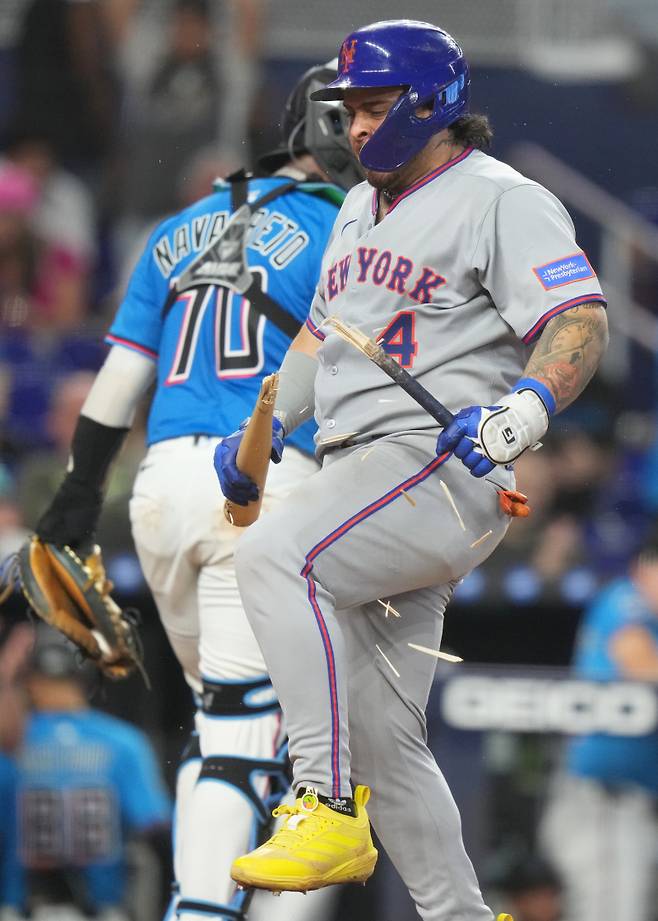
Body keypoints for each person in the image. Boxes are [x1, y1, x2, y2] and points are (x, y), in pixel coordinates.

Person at [215, 18, 609, 921]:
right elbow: (324, 334)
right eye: (350, 110)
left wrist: (524, 411)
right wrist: (268, 423)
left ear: (432, 104)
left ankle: (318, 799)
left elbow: (580, 319)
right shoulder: (360, 205)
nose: (356, 128)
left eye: (374, 107)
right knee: (389, 739)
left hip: (435, 463)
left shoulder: (500, 196)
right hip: (363, 477)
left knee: (276, 558)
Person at [30, 62, 362, 921]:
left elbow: (119, 379)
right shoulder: (351, 228)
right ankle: (202, 913)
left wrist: (74, 500)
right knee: (252, 738)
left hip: (158, 489)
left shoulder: (180, 225)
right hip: (260, 486)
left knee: (232, 728)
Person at [539, 534, 658, 921]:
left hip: (633, 799)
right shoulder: (626, 600)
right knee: (612, 910)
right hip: (598, 795)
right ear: (644, 567)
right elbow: (640, 665)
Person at [14, 636, 172, 921]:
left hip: (20, 908)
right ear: (85, 680)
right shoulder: (123, 741)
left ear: (30, 682)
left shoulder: (11, 740)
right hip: (102, 908)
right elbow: (157, 830)